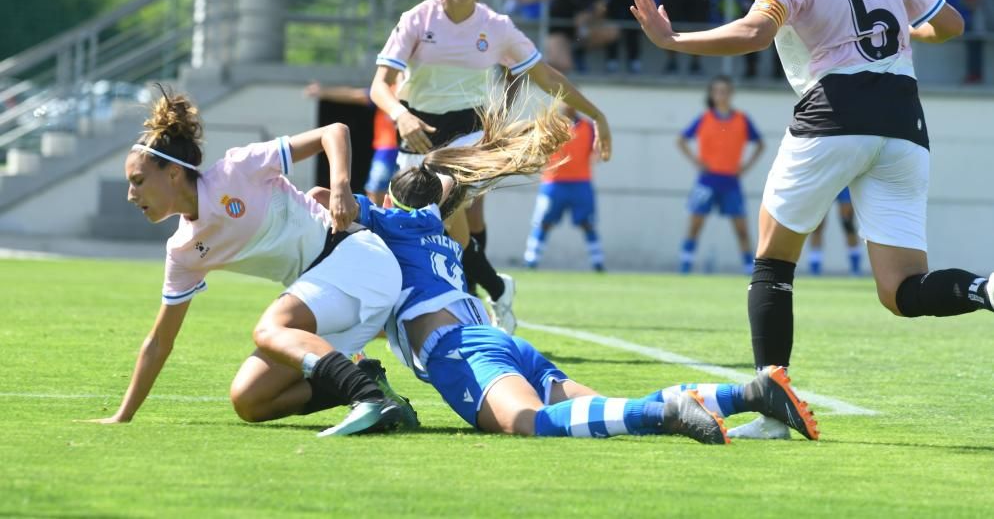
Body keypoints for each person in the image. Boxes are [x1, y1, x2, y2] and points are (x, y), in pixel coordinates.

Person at [630, 0, 988, 440]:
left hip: (836, 113)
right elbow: (950, 24)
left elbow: (755, 32)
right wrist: (904, 30)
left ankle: (773, 410)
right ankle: (986, 289)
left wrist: (673, 40)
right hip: (903, 120)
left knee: (773, 262)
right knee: (901, 291)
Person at [311, 93, 819, 442]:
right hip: (501, 343)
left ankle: (672, 413)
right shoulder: (439, 232)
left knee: (529, 422)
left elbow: (319, 197)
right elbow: (442, 197)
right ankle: (749, 392)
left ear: (387, 200)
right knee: (608, 412)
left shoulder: (394, 223)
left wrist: (337, 206)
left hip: (460, 349)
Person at [87, 87, 417, 436]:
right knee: (250, 400)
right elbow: (159, 342)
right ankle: (369, 383)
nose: (130, 194)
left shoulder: (236, 169)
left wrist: (340, 187)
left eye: (138, 181)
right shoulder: (183, 251)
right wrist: (122, 416)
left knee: (268, 328)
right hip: (330, 303)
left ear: (171, 174)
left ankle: (367, 399)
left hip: (357, 259)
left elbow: (334, 131)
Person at [369, 0, 613, 335]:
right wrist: (400, 115)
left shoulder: (496, 27)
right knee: (426, 226)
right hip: (416, 130)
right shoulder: (416, 20)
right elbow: (380, 84)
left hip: (467, 132)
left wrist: (597, 114)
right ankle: (496, 289)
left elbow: (544, 75)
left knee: (445, 204)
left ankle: (459, 306)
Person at [677, 76, 764, 275]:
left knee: (741, 229)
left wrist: (746, 166)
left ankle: (749, 270)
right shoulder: (704, 118)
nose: (721, 95)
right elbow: (681, 140)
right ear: (712, 95)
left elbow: (760, 143)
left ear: (731, 94)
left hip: (731, 181)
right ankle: (684, 267)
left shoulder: (742, 119)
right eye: (717, 91)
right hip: (707, 180)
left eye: (725, 91)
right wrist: (695, 161)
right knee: (695, 226)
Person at [523, 104, 603, 271]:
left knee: (588, 223)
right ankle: (530, 261)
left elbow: (597, 150)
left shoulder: (588, 127)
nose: (568, 105)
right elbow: (537, 148)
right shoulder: (550, 125)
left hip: (581, 183)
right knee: (543, 222)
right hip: (553, 183)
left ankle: (598, 263)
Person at [516, 0, 620, 73]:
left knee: (613, 31)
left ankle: (579, 50)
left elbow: (601, 10)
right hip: (560, 29)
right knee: (563, 65)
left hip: (583, 29)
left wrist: (588, 16)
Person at [303, 83, 398, 205]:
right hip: (387, 148)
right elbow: (355, 95)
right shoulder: (385, 90)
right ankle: (377, 221)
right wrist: (323, 92)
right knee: (375, 190)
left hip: (407, 149)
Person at [807, 189, 862, 276]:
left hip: (845, 182)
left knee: (848, 223)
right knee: (817, 225)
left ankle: (855, 269)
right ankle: (815, 270)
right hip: (825, 181)